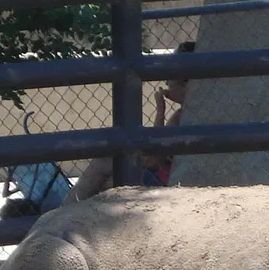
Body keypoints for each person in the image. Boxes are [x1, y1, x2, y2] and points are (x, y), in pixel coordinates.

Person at [66, 43, 194, 204]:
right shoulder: (188, 113)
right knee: (108, 181)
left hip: (165, 184)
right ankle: (67, 215)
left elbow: (153, 161)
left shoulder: (181, 117)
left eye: (171, 76)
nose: (167, 82)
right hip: (163, 178)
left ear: (185, 83)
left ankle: (62, 214)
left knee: (106, 170)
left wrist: (160, 110)